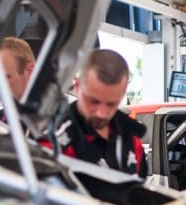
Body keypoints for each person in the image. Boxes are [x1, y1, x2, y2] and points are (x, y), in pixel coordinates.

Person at [54, 49, 148, 178]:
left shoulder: (131, 137)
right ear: (77, 86)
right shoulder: (56, 139)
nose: (101, 113)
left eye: (111, 104)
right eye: (93, 101)